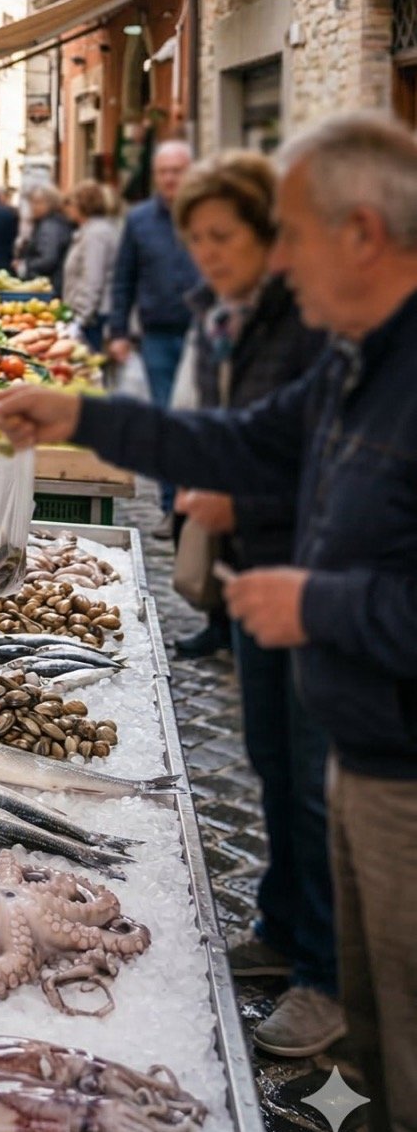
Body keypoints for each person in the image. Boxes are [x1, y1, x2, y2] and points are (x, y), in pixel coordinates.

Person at [0, 117, 417, 1132]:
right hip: (367, 750)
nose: (274, 263)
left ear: (360, 234)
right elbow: (238, 441)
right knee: (377, 1017)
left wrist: (321, 603)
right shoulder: (355, 363)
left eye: (292, 239)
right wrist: (80, 412)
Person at [171, 152, 335, 1052]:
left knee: (314, 781)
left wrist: (245, 499)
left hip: (319, 584)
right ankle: (282, 929)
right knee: (272, 759)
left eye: (222, 237)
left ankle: (331, 978)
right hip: (259, 573)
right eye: (196, 240)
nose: (207, 255)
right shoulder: (253, 317)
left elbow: (336, 464)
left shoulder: (321, 321)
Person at [106, 140, 201, 406]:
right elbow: (124, 278)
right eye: (163, 171)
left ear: (191, 172)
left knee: (199, 408)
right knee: (164, 407)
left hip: (202, 330)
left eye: (177, 170)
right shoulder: (139, 220)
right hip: (156, 334)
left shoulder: (207, 215)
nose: (170, 178)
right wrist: (118, 332)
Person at [62, 181, 121, 351]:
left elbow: (92, 278)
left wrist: (81, 318)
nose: (68, 208)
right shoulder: (90, 231)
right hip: (89, 315)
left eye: (72, 203)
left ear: (83, 204)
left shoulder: (96, 234)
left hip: (94, 318)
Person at [17, 185, 74, 295]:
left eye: (38, 203)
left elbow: (48, 258)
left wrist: (25, 265)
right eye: (32, 203)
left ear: (50, 203)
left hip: (49, 286)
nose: (33, 207)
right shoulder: (48, 222)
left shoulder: (50, 226)